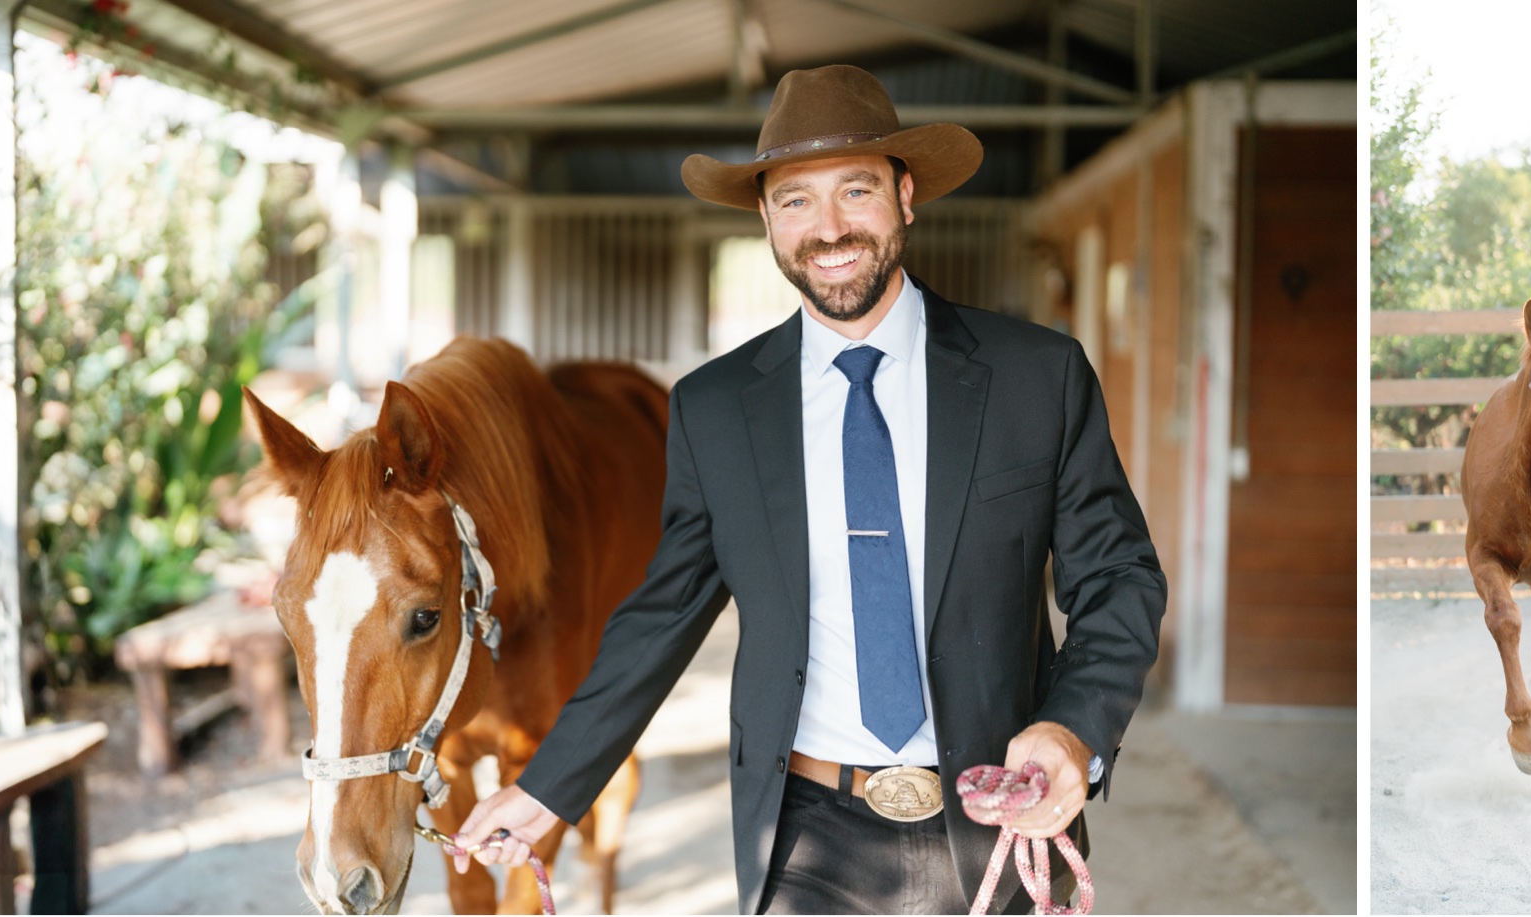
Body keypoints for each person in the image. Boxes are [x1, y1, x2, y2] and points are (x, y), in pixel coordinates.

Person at [452, 63, 1165, 914]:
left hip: (998, 823)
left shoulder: (1035, 376)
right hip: (806, 839)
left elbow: (1119, 576)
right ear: (765, 218)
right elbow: (660, 618)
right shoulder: (716, 410)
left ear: (905, 195)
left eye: (855, 191)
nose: (828, 228)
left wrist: (1072, 727)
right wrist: (548, 787)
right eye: (796, 200)